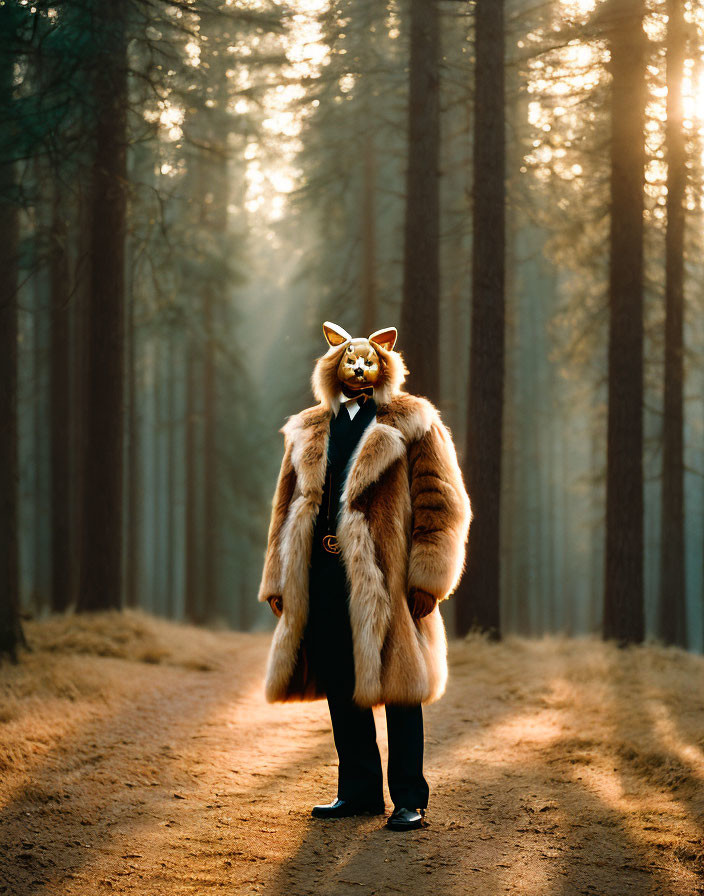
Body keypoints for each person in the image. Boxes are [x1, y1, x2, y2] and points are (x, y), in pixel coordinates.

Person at [257, 321, 472, 831]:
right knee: (339, 680)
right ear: (332, 368)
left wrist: (428, 577)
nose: (358, 369)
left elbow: (442, 503)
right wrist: (279, 579)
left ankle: (409, 798)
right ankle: (356, 793)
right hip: (322, 573)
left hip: (388, 578)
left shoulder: (413, 420)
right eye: (348, 362)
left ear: (383, 364)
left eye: (367, 361)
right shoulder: (307, 428)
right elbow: (284, 508)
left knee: (399, 687)